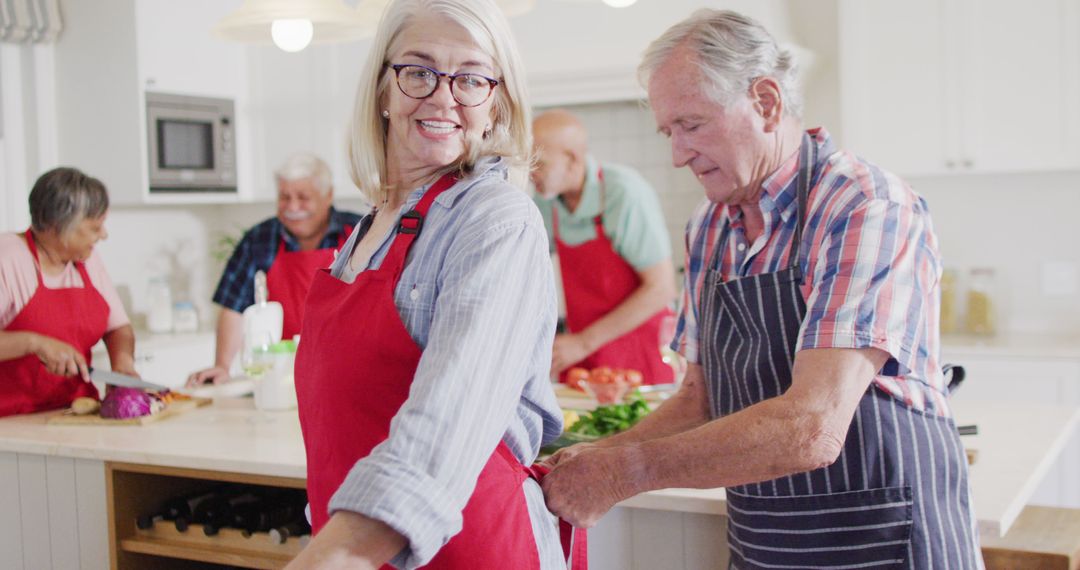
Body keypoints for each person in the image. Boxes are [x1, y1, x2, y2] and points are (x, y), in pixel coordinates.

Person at [541, 9, 983, 569]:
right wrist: (596, 454)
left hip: (885, 539)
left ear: (767, 102)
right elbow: (700, 400)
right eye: (667, 131)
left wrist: (622, 472)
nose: (678, 154)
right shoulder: (710, 225)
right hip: (766, 546)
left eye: (692, 125)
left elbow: (813, 427)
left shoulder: (865, 208)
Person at [286, 0, 584, 568]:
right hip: (364, 545)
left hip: (466, 547)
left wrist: (332, 557)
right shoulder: (369, 227)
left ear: (496, 104)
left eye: (471, 78)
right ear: (382, 90)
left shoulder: (496, 219)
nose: (444, 97)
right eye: (419, 71)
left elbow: (446, 427)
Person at [186, 153, 361, 386]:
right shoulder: (259, 239)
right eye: (284, 197)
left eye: (303, 197)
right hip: (284, 376)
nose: (293, 207)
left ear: (327, 196)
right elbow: (233, 308)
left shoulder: (359, 234)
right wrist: (222, 366)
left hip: (351, 371)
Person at [531, 109, 677, 385]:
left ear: (571, 159)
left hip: (639, 353)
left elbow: (661, 288)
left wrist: (584, 342)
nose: (531, 173)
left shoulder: (623, 192)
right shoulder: (545, 201)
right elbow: (525, 273)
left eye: (539, 163)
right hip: (583, 355)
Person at [0, 167, 136, 417]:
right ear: (57, 225)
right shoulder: (7, 257)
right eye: (95, 228)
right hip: (10, 424)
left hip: (76, 414)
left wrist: (123, 362)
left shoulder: (87, 259)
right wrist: (33, 343)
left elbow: (118, 327)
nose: (103, 235)